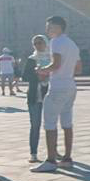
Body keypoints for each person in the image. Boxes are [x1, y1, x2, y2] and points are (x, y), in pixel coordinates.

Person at [30, 16, 81, 172]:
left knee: (50, 123)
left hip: (58, 86)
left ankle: (51, 160)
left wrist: (42, 70)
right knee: (67, 122)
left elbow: (56, 64)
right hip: (70, 85)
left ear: (58, 27)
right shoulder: (72, 44)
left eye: (49, 27)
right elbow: (78, 68)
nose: (47, 30)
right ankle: (67, 158)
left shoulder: (56, 42)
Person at [22, 35, 51, 163]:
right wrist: (37, 76)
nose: (38, 45)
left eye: (40, 42)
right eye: (36, 43)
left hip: (49, 95)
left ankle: (53, 151)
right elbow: (24, 76)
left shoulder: (51, 58)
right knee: (35, 125)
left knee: (51, 125)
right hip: (34, 96)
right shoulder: (31, 59)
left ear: (46, 43)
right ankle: (33, 153)